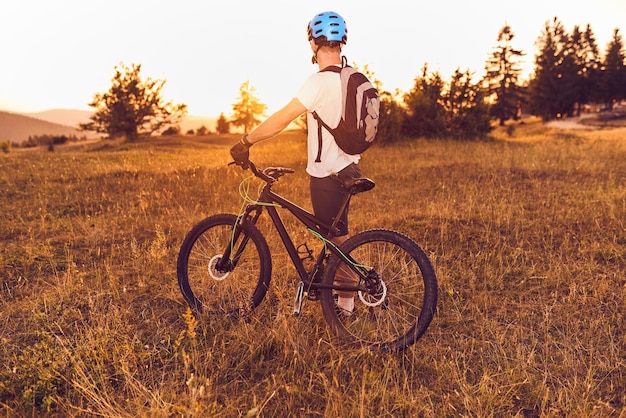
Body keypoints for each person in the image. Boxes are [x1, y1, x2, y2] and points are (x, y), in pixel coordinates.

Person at [230, 11, 362, 316]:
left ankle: (348, 302)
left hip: (328, 173)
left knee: (336, 239)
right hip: (349, 166)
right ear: (341, 42)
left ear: (314, 44)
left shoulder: (318, 82)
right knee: (335, 235)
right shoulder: (351, 77)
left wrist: (246, 141)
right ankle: (344, 299)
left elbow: (280, 120)